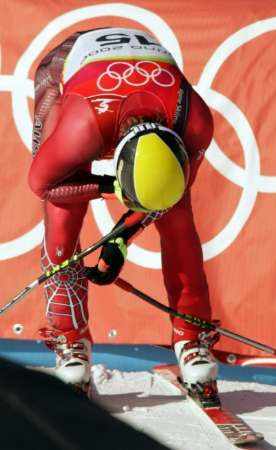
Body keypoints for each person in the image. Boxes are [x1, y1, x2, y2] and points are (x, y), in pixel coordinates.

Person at [28, 27, 218, 399]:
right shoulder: (79, 128)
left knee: (178, 218)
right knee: (61, 215)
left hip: (149, 84)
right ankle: (71, 342)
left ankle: (192, 339)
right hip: (69, 67)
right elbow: (40, 183)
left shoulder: (196, 124)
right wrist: (107, 187)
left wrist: (118, 239)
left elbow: (163, 195)